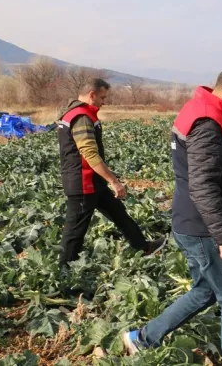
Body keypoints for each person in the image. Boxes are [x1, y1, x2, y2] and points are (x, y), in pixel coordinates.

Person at [123, 64, 222, 366]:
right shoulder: (208, 123)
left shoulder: (202, 108)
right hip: (204, 230)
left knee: (205, 291)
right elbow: (202, 185)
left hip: (193, 222)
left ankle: (141, 339)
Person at [57, 78, 165, 268]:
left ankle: (144, 248)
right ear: (91, 95)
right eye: (102, 97)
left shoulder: (79, 113)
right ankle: (64, 272)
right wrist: (113, 181)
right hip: (82, 183)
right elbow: (89, 153)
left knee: (119, 214)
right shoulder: (81, 117)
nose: (104, 102)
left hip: (93, 182)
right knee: (75, 231)